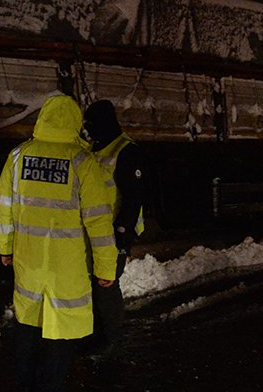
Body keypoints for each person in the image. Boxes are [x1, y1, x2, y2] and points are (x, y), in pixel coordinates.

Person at [0, 95, 117, 392]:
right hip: (67, 269)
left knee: (28, 326)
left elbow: (3, 208)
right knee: (60, 334)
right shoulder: (82, 162)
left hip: (29, 263)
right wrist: (106, 268)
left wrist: (5, 248)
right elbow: (99, 222)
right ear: (75, 122)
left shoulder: (18, 157)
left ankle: (25, 384)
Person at [82, 99, 146, 359]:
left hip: (114, 234)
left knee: (106, 286)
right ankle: (98, 336)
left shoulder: (126, 151)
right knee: (95, 286)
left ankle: (112, 340)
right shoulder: (94, 150)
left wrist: (123, 240)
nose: (88, 129)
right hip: (96, 233)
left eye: (91, 124)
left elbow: (133, 199)